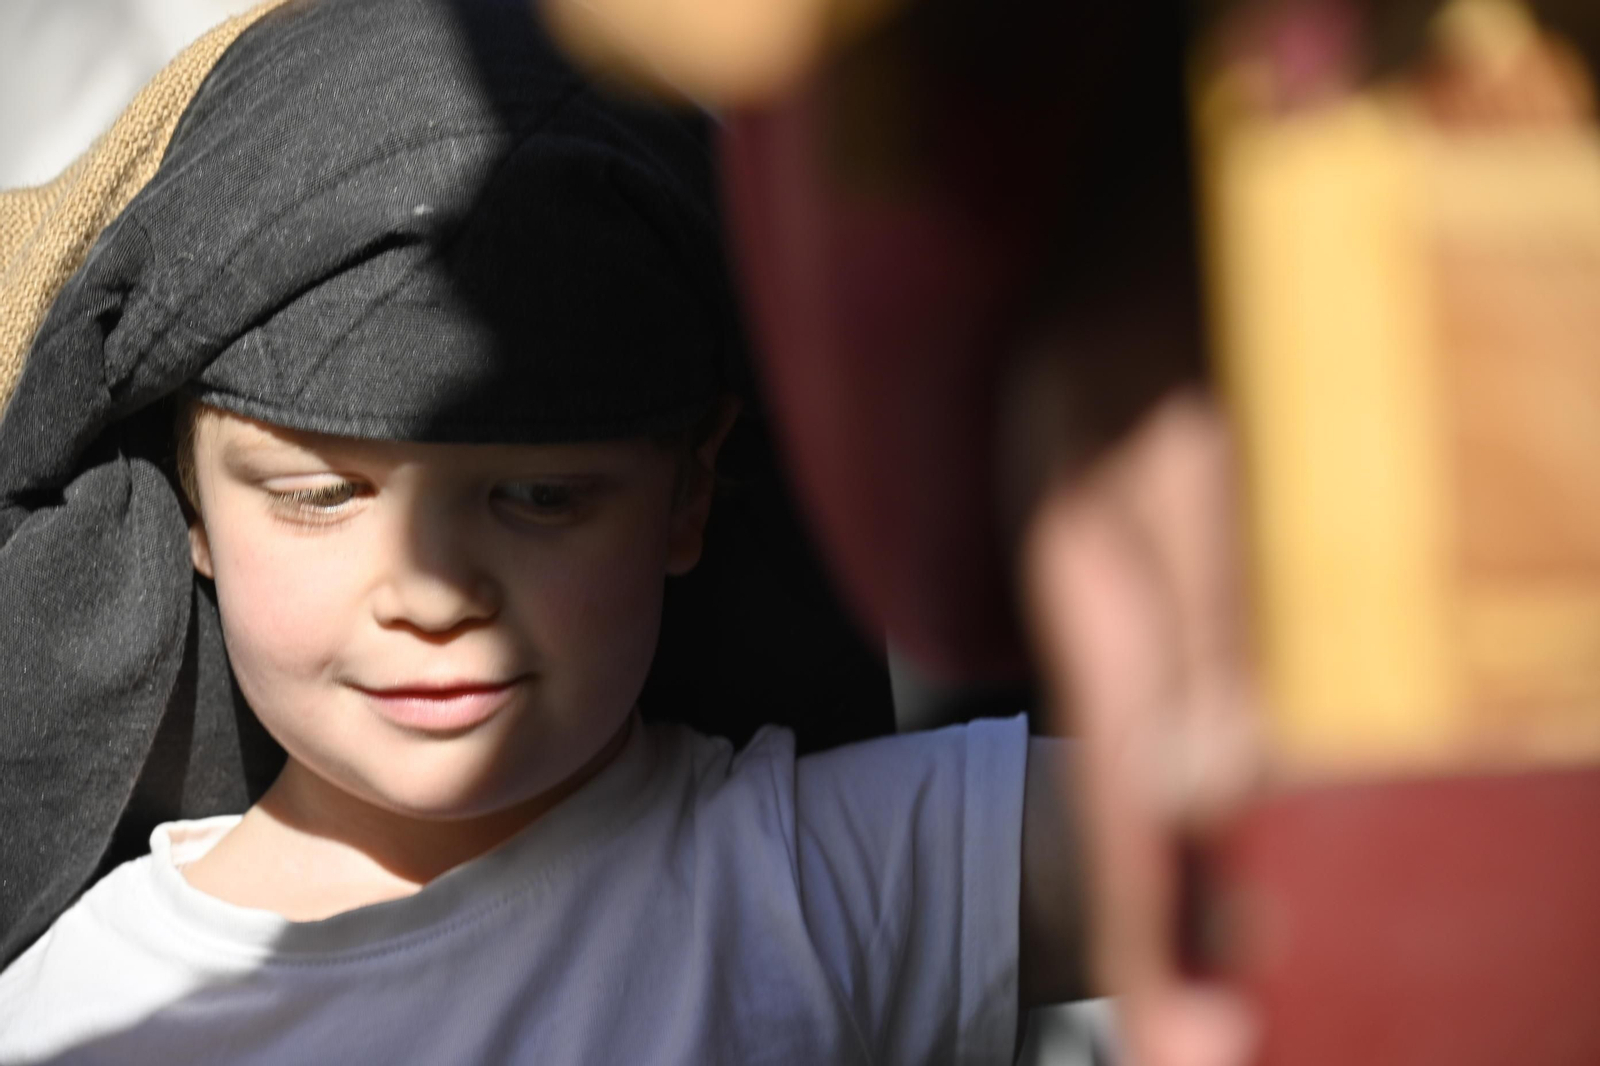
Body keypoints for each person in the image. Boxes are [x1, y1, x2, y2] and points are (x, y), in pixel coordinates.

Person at [0, 0, 1080, 1061]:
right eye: (321, 494)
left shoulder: (828, 883)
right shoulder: (76, 1009)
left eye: (542, 497)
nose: (431, 592)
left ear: (688, 488)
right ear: (191, 502)